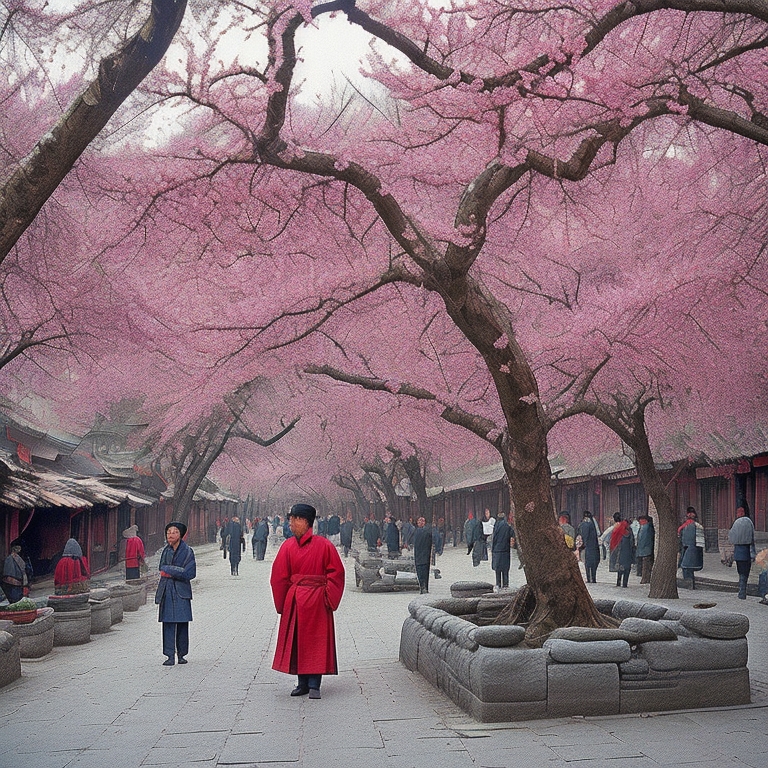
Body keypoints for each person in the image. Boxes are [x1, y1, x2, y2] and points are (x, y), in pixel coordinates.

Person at [270, 503, 345, 700]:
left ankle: (314, 684)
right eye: (291, 519)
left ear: (306, 522)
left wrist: (328, 597)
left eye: (295, 519)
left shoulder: (324, 545)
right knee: (298, 641)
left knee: (315, 642)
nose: (291, 524)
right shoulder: (287, 546)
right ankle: (302, 682)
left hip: (317, 600)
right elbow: (278, 578)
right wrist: (283, 604)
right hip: (296, 600)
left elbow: (336, 574)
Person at [154, 521, 196, 666]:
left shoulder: (188, 551)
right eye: (168, 532)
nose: (171, 535)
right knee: (168, 624)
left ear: (181, 535)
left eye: (174, 532)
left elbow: (190, 572)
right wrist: (173, 570)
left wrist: (169, 570)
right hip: (167, 589)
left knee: (182, 623)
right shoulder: (165, 551)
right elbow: (161, 568)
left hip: (181, 591)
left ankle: (182, 654)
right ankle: (169, 655)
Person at [728, 506, 756, 600]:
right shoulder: (749, 522)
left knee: (741, 573)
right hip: (746, 552)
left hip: (738, 552)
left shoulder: (736, 523)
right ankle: (742, 592)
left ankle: (741, 592)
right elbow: (752, 538)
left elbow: (731, 537)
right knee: (745, 574)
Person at [678, 506, 704, 589]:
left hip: (691, 549)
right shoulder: (685, 526)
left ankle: (689, 584)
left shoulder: (696, 526)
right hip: (686, 549)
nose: (690, 515)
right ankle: (690, 584)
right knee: (688, 568)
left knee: (687, 567)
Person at [609, 513, 635, 588]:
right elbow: (632, 543)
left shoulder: (618, 530)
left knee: (620, 568)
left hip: (620, 553)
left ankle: (618, 582)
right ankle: (625, 584)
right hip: (628, 553)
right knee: (627, 569)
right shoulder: (629, 531)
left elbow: (614, 541)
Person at [491, 512, 515, 590]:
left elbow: (493, 538)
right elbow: (512, 534)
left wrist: (493, 549)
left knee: (497, 569)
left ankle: (498, 584)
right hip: (505, 550)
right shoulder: (508, 526)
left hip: (497, 550)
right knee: (505, 569)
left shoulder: (496, 526)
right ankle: (505, 585)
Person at [577, 511, 601, 583]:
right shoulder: (593, 524)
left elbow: (583, 535)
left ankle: (589, 578)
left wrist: (581, 545)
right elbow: (598, 533)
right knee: (593, 563)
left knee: (587, 563)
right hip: (594, 546)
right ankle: (593, 578)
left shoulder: (583, 524)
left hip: (587, 547)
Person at [412, 516, 433, 594]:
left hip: (424, 554)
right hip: (419, 555)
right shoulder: (416, 531)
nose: (421, 523)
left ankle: (424, 587)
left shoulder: (427, 532)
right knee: (420, 572)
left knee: (424, 572)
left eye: (422, 521)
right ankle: (422, 586)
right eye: (419, 521)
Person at [635, 515, 655, 584]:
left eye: (641, 520)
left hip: (646, 549)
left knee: (646, 565)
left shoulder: (647, 528)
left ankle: (645, 579)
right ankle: (645, 578)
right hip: (644, 549)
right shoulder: (643, 527)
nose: (639, 522)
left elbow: (644, 540)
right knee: (645, 565)